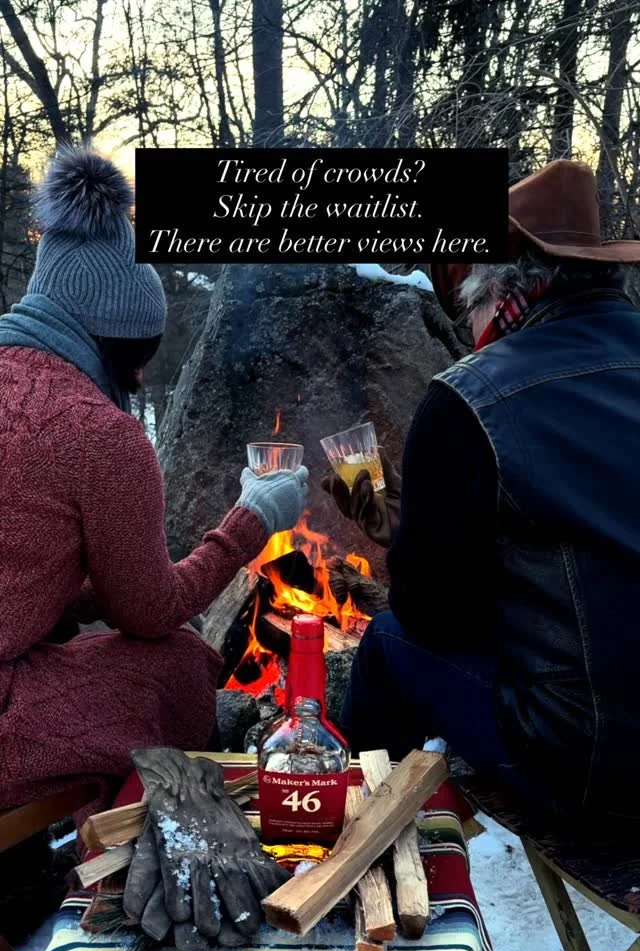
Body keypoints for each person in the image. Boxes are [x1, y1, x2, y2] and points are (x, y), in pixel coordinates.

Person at [325, 159, 640, 823]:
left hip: (592, 760)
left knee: (386, 644)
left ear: (495, 292)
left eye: (467, 306)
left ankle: (358, 839)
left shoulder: (472, 396)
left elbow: (432, 617)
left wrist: (409, 542)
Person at [0, 145, 308, 820]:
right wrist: (252, 518)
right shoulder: (98, 435)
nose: (138, 381)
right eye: (136, 359)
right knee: (177, 663)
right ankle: (119, 826)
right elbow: (149, 612)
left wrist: (80, 594)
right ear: (107, 339)